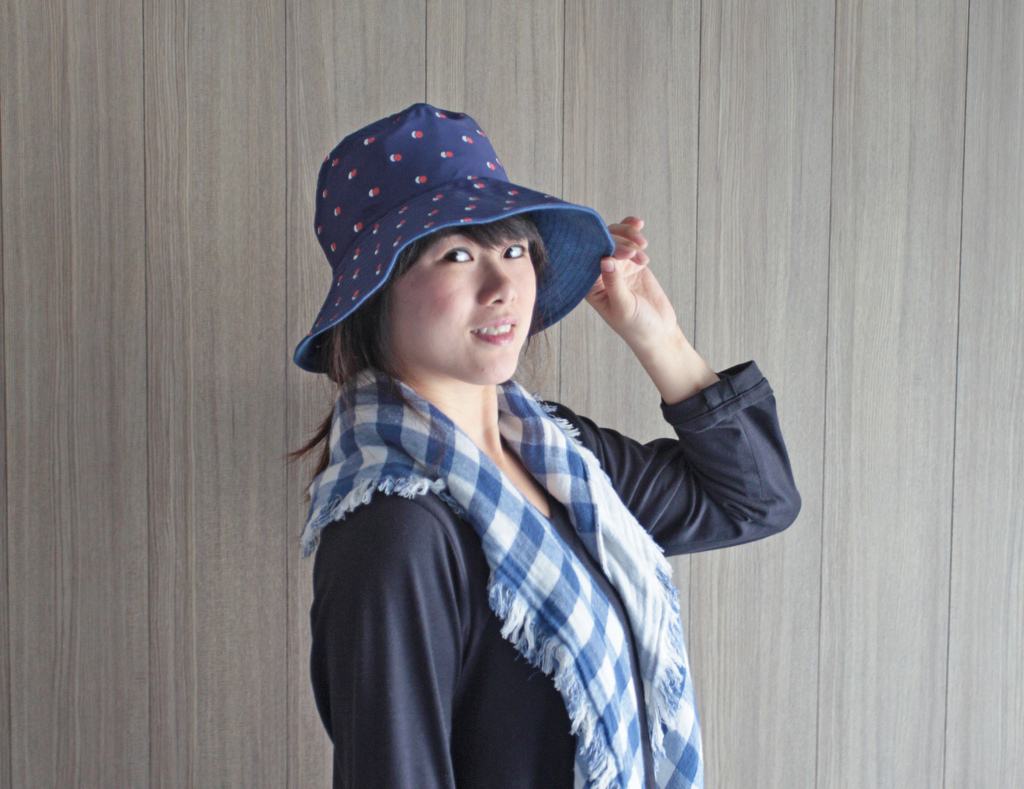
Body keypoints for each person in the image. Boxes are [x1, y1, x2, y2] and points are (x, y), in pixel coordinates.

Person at [289, 103, 801, 789]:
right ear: (377, 292)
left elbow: (756, 500)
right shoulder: (395, 533)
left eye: (514, 250)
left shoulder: (559, 455)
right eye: (457, 255)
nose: (503, 286)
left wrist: (658, 336)